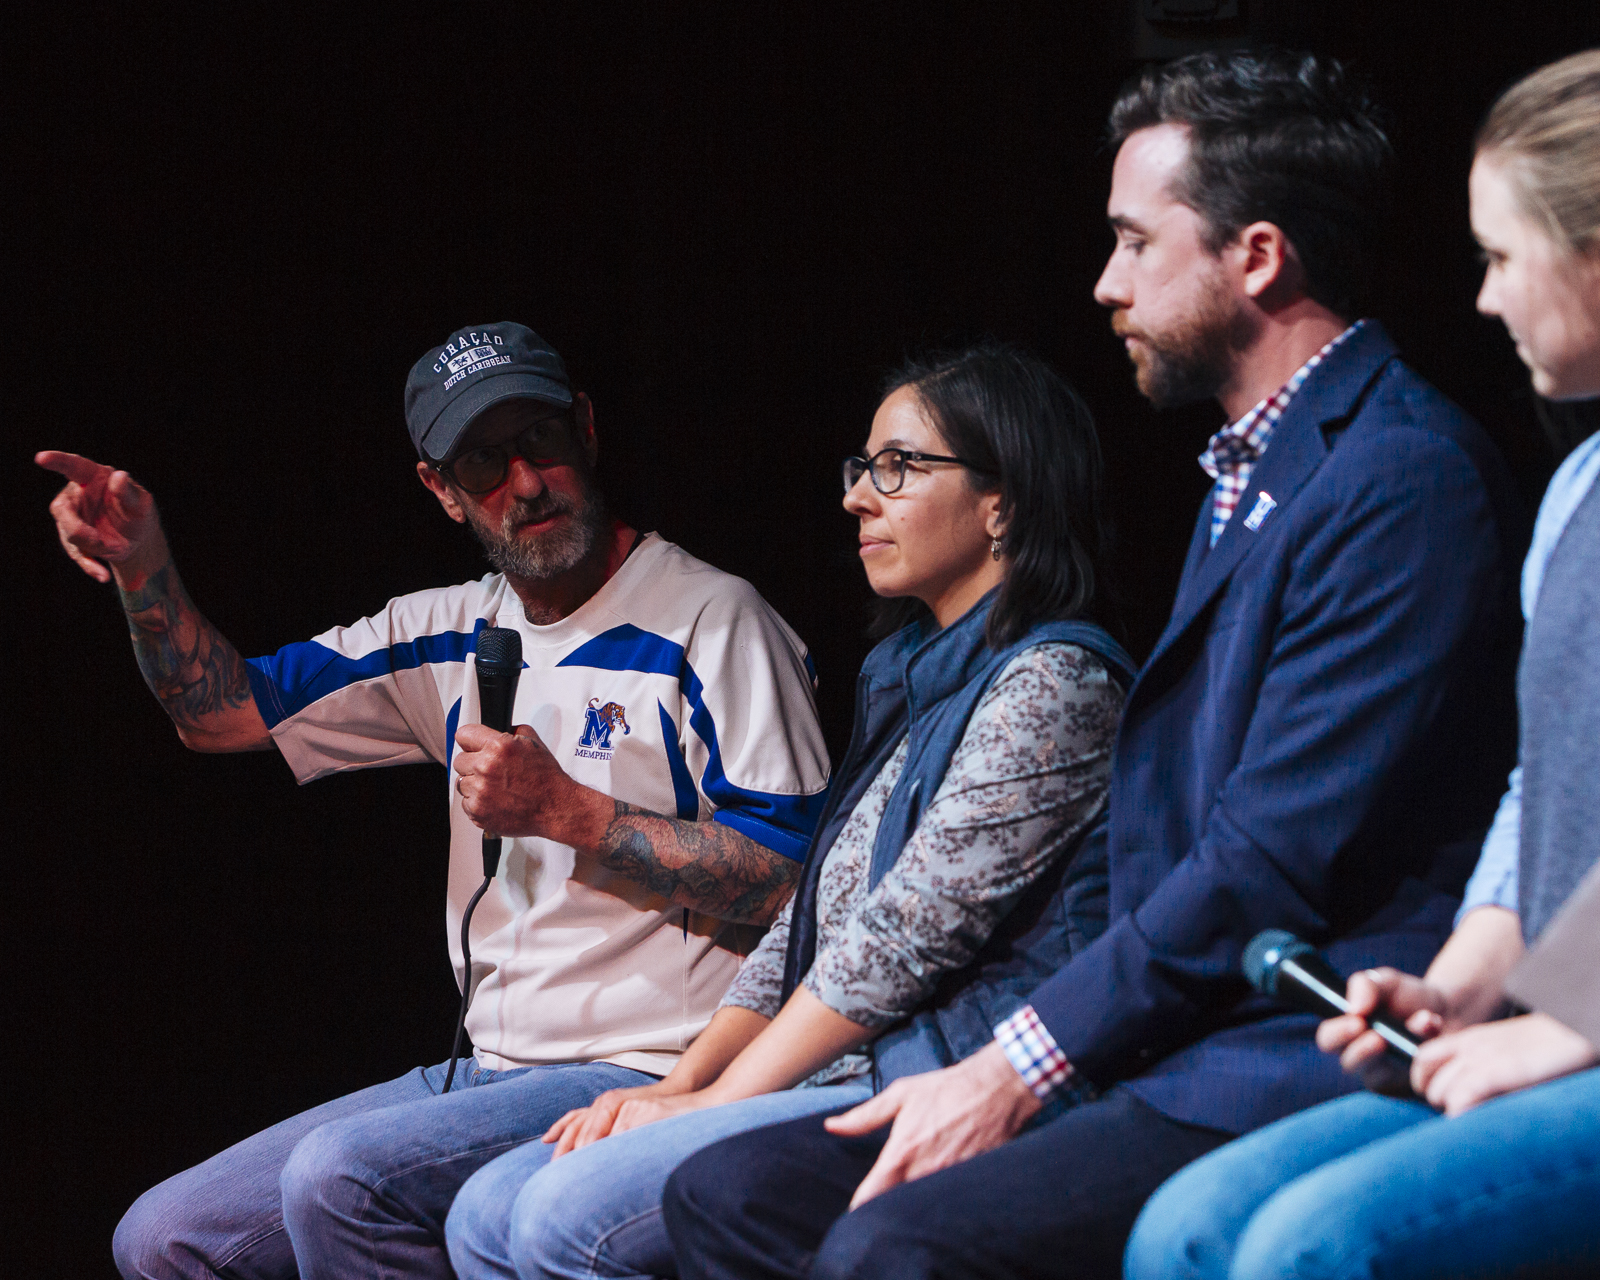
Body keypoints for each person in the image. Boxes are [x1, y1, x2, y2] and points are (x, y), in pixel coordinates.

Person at [660, 50, 1525, 1280]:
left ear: (1257, 256)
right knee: (731, 1194)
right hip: (1164, 1028)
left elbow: (1261, 860)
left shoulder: (1398, 477)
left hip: (1279, 1039)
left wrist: (1017, 1063)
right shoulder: (1250, 474)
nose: (1105, 282)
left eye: (1133, 242)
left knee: (890, 1246)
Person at [37, 321, 832, 1280]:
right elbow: (222, 713)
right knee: (166, 1239)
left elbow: (800, 885)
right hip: (481, 1073)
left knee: (341, 1177)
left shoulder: (714, 620)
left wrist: (575, 815)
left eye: (540, 440)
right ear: (441, 491)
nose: (526, 483)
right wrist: (140, 567)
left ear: (586, 427)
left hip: (656, 1066)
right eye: (484, 463)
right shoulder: (449, 633)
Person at [441, 343, 1134, 1280]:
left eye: (898, 468)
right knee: (484, 1210)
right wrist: (687, 1081)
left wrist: (709, 1103)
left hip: (949, 1067)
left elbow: (896, 943)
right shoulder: (906, 678)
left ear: (1002, 501)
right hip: (852, 1060)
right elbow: (812, 922)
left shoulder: (1054, 683)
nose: (858, 497)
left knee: (564, 1217)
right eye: (863, 469)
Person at [1124, 49, 1600, 1280]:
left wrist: (1570, 1018)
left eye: (1502, 257)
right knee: (1182, 1229)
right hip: (1551, 1017)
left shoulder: (1411, 473)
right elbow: (1539, 792)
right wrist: (1458, 984)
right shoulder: (1575, 495)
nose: (1484, 301)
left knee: (1310, 1244)